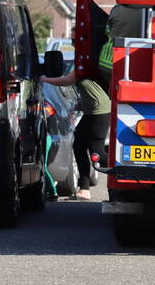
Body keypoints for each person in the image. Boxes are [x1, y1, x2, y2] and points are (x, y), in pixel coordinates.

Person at [41, 71, 110, 200]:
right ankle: (84, 190)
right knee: (79, 145)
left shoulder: (82, 67)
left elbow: (66, 81)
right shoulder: (84, 66)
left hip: (99, 112)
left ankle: (129, 170)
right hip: (93, 111)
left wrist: (45, 78)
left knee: (98, 152)